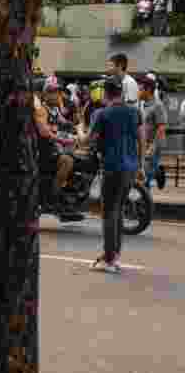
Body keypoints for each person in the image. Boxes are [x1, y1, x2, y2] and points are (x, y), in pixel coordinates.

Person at [88, 77, 143, 274]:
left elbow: (89, 140)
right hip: (130, 168)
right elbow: (141, 139)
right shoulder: (134, 111)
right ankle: (114, 255)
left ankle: (109, 258)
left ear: (106, 93)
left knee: (108, 213)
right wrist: (140, 166)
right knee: (118, 210)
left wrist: (79, 133)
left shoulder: (102, 114)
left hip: (112, 168)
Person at [35, 75, 77, 216]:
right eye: (51, 91)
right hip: (44, 153)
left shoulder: (55, 110)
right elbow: (45, 132)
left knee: (77, 157)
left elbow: (64, 122)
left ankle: (69, 196)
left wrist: (78, 129)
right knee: (67, 161)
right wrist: (63, 140)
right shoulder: (41, 110)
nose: (55, 95)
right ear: (45, 93)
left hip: (54, 149)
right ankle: (52, 198)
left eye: (57, 91)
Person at [139, 75, 167, 191]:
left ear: (148, 90)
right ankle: (157, 172)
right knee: (145, 171)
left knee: (146, 176)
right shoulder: (141, 104)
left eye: (141, 89)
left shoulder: (158, 105)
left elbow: (161, 127)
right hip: (144, 143)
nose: (138, 91)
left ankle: (145, 202)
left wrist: (152, 147)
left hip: (154, 144)